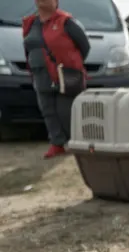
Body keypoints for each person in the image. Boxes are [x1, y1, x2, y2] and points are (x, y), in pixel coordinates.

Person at [22, 0, 90, 159]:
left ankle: (76, 142)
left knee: (66, 110)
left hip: (64, 73)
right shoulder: (30, 23)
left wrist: (72, 64)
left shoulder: (66, 21)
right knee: (47, 110)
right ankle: (56, 143)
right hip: (40, 74)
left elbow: (84, 46)